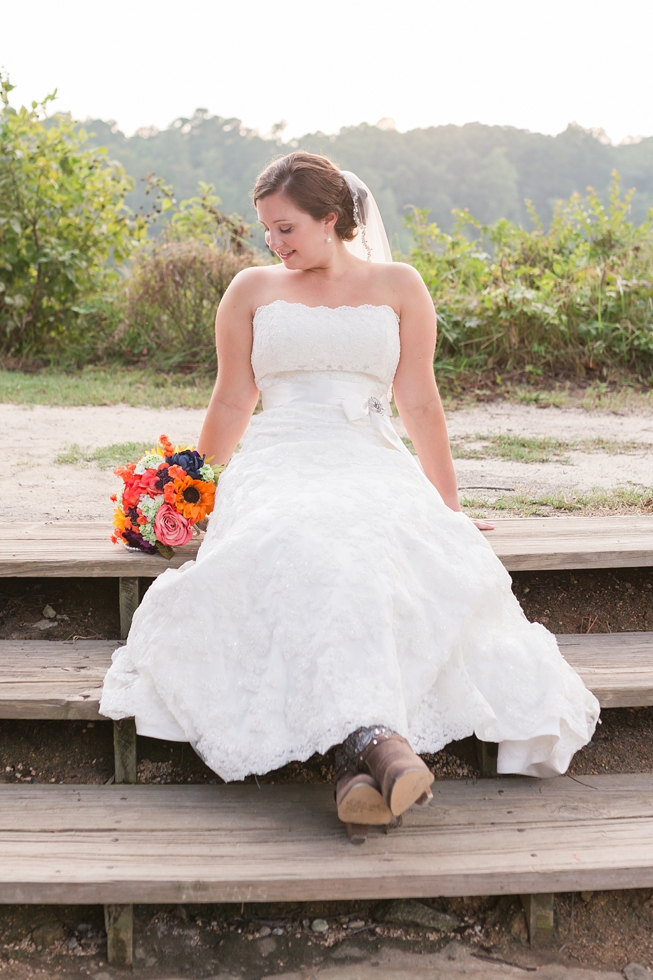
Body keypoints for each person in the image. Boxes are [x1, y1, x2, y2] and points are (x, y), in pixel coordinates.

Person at [100, 152, 599, 843]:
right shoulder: (250, 290)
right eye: (267, 232)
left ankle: (364, 760)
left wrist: (445, 508)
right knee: (300, 539)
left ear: (330, 220)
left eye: (287, 229)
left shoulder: (399, 285)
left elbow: (419, 402)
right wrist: (187, 494)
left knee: (373, 545)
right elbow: (234, 398)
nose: (274, 244)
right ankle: (383, 750)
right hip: (280, 458)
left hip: (369, 455)